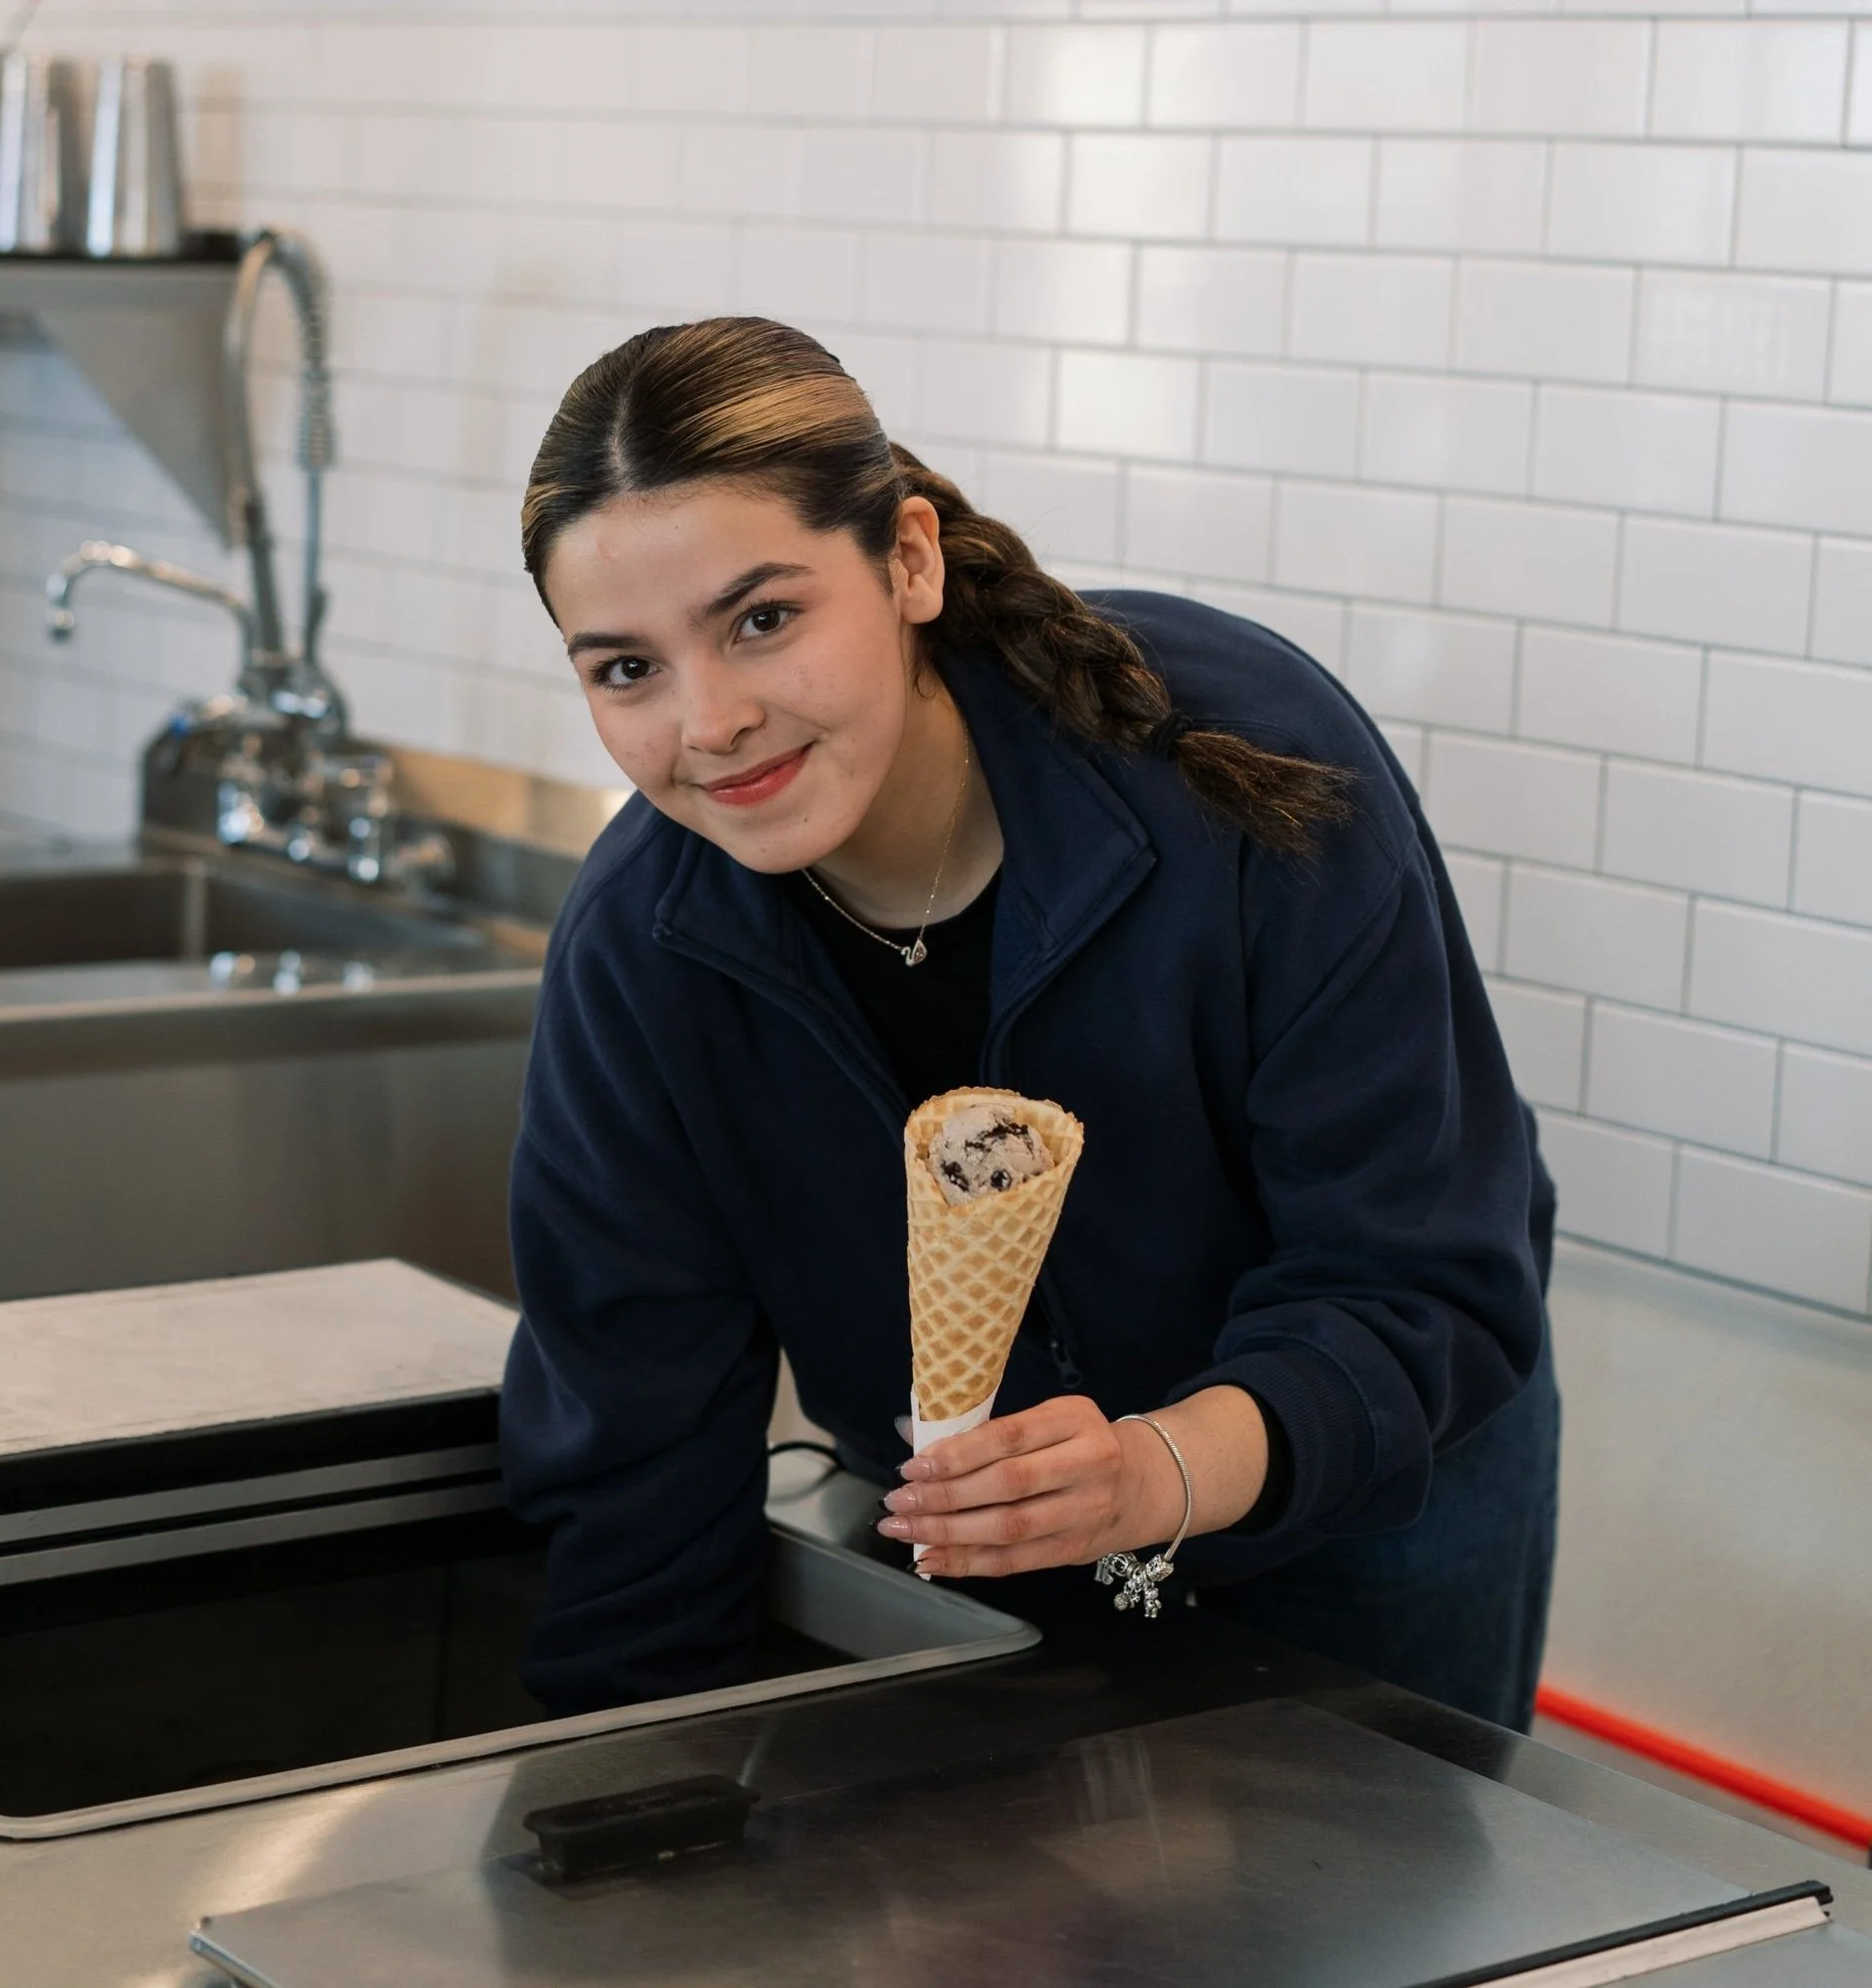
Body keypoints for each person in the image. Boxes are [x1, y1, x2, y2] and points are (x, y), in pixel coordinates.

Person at [501, 316, 1560, 1732]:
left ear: (909, 561)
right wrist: (623, 1818)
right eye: (625, 668)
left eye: (763, 618)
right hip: (986, 1543)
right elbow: (632, 1437)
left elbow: (1417, 1273)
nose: (712, 722)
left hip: (1359, 1493)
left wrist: (1152, 1469)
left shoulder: (1242, 771)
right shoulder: (640, 953)